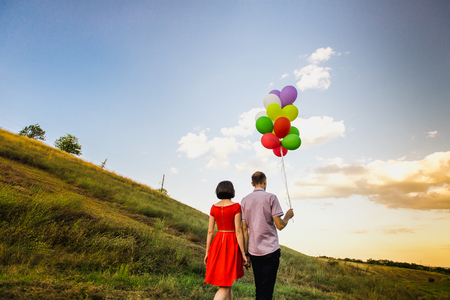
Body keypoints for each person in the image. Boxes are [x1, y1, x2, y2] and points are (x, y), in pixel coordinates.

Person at [241, 171, 294, 300]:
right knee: (267, 291)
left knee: (259, 289)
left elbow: (244, 229)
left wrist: (246, 254)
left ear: (252, 183)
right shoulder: (271, 197)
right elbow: (280, 225)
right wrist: (287, 216)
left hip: (254, 251)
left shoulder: (244, 200)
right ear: (265, 181)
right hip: (270, 250)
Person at [204, 180, 249, 300]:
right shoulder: (236, 207)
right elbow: (238, 231)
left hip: (217, 243)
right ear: (231, 190)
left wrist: (207, 252)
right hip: (230, 244)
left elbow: (210, 231)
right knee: (224, 286)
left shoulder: (213, 207)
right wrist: (243, 253)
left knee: (227, 283)